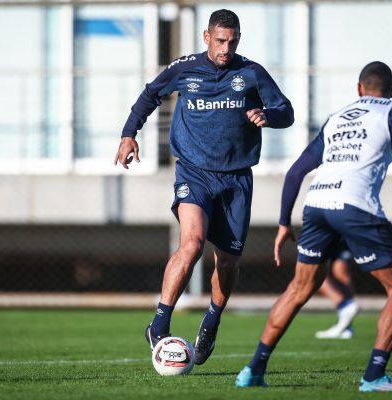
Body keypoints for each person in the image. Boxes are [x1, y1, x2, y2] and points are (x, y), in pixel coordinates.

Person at [235, 61, 392, 392]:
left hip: (316, 204)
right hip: (355, 204)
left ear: (358, 89)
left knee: (300, 288)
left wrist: (284, 222)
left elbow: (296, 171)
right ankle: (373, 377)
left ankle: (252, 370)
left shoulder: (337, 118)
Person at [114, 9, 294, 365]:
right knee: (192, 243)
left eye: (233, 41)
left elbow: (285, 111)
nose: (226, 48)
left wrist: (268, 117)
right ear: (206, 37)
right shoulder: (184, 68)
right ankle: (160, 322)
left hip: (237, 178)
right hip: (194, 172)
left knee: (226, 263)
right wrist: (128, 134)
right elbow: (149, 96)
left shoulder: (251, 72)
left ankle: (211, 319)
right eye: (220, 40)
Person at [315, 243, 360, 339]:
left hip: (322, 233)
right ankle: (346, 326)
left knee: (314, 276)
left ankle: (345, 305)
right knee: (341, 273)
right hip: (342, 232)